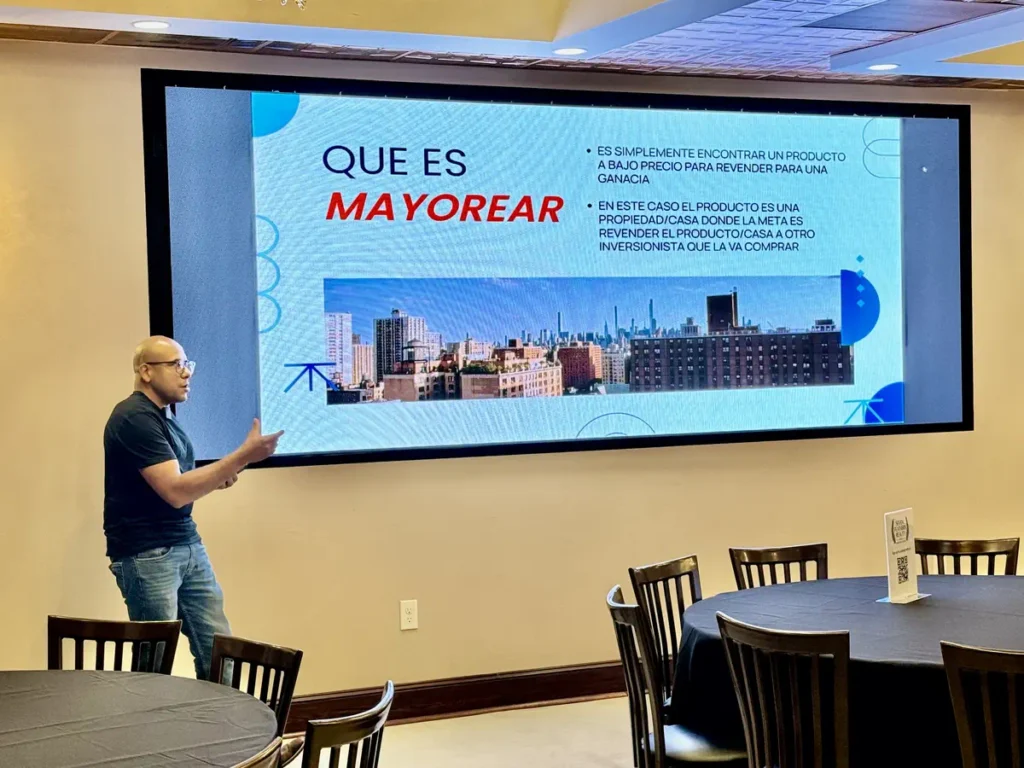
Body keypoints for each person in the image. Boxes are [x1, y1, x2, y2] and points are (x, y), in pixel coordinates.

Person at [103, 335, 283, 679]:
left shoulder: (164, 418)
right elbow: (174, 491)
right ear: (146, 372)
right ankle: (148, 731)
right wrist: (242, 456)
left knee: (219, 647)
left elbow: (181, 481)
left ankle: (223, 729)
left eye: (187, 365)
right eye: (176, 365)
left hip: (185, 542)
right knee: (155, 662)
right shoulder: (133, 418)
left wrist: (222, 474)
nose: (186, 373)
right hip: (146, 553)